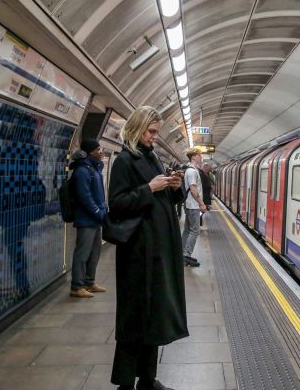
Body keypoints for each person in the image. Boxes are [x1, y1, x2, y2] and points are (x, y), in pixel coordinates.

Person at [108, 106, 187, 390]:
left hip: (158, 250)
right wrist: (149, 189)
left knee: (153, 315)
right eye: (151, 132)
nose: (155, 137)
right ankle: (126, 383)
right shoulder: (124, 161)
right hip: (138, 252)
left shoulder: (152, 157)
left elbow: (161, 197)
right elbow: (116, 204)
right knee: (134, 316)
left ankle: (147, 379)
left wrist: (173, 187)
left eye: (157, 132)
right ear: (137, 128)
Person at [69, 138, 107, 298]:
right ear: (90, 152)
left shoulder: (94, 169)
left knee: (95, 251)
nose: (101, 152)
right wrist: (98, 211)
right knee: (82, 253)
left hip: (96, 218)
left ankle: (89, 282)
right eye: (98, 150)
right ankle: (77, 286)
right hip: (86, 219)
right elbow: (84, 196)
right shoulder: (82, 170)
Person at [181, 148, 207, 267]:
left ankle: (181, 253)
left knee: (187, 229)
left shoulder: (192, 170)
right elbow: (193, 189)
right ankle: (186, 254)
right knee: (195, 230)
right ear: (194, 157)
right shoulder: (191, 172)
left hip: (190, 204)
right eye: (199, 155)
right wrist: (201, 203)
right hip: (193, 205)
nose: (201, 157)